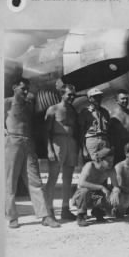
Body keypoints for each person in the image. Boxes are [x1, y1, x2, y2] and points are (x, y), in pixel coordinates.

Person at [4, 78, 59, 228]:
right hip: (12, 142)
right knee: (10, 182)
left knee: (35, 181)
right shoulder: (6, 103)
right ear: (14, 87)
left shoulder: (29, 105)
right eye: (23, 89)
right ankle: (12, 217)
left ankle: (45, 216)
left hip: (28, 143)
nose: (26, 92)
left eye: (27, 89)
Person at [44, 83, 78, 221]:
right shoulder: (53, 109)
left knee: (68, 178)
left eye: (73, 94)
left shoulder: (73, 110)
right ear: (62, 94)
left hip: (71, 143)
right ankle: (49, 211)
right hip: (57, 143)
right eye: (69, 94)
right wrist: (49, 149)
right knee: (53, 178)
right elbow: (46, 132)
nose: (72, 97)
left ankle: (65, 209)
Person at [71, 148, 118, 227]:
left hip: (95, 196)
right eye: (108, 161)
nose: (111, 163)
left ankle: (98, 211)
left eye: (112, 161)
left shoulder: (110, 170)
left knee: (110, 194)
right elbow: (81, 183)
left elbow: (116, 186)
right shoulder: (90, 165)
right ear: (100, 160)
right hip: (83, 197)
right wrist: (101, 187)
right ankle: (81, 215)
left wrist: (116, 192)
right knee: (84, 191)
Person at [78, 87, 110, 162]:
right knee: (91, 165)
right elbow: (81, 131)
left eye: (99, 96)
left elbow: (109, 129)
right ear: (90, 99)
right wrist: (84, 149)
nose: (98, 99)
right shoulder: (85, 112)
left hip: (104, 140)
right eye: (95, 97)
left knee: (104, 164)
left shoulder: (105, 112)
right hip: (91, 140)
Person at [109, 89, 129, 163]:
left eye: (127, 98)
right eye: (122, 99)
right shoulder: (112, 115)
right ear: (117, 100)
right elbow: (110, 134)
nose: (125, 100)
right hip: (119, 148)